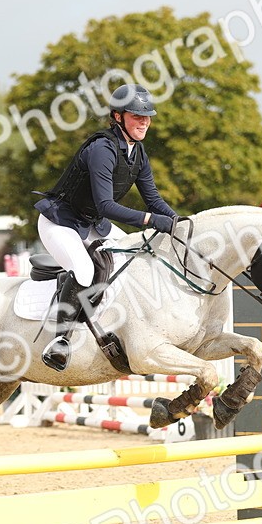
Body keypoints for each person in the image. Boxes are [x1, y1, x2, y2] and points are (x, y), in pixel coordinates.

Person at [32, 83, 178, 371]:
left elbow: (153, 199)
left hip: (92, 223)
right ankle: (60, 341)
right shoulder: (102, 149)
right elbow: (106, 206)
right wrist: (151, 221)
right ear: (118, 117)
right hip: (60, 221)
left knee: (135, 256)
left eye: (147, 117)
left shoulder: (138, 153)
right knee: (84, 270)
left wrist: (179, 222)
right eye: (137, 116)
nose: (144, 122)